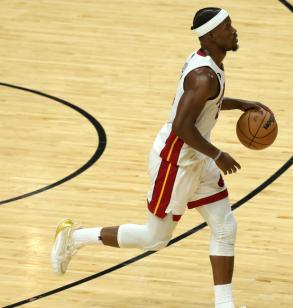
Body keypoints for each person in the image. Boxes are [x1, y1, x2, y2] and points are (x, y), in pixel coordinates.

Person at [51, 7, 270, 308]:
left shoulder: (211, 65)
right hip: (176, 160)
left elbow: (206, 104)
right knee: (154, 239)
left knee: (224, 226)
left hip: (197, 156)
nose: (233, 30)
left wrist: (240, 103)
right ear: (209, 35)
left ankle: (224, 305)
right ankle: (74, 238)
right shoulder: (203, 76)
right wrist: (218, 154)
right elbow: (182, 126)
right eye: (227, 27)